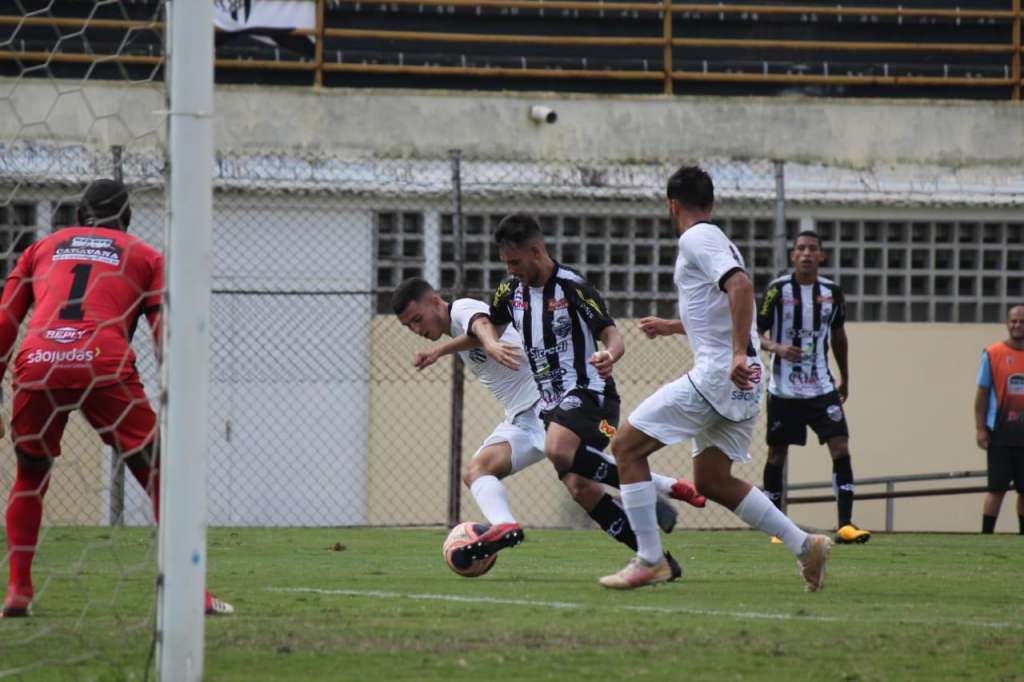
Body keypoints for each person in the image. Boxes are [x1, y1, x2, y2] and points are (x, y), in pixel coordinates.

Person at [0, 179, 233, 617]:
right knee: (163, 474)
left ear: (76, 217)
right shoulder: (144, 254)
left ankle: (18, 590)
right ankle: (191, 594)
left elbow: (6, 320)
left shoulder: (43, 248)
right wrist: (175, 388)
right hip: (101, 361)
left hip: (39, 361)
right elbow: (163, 333)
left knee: (30, 475)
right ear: (126, 219)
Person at [600, 165, 832, 591]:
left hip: (720, 375)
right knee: (712, 480)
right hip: (743, 378)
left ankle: (651, 559)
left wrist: (738, 353)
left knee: (626, 447)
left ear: (673, 205)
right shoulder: (718, 239)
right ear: (711, 202)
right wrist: (674, 327)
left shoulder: (696, 238)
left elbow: (741, 288)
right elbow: (720, 307)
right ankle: (805, 545)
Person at [392, 278, 704, 570]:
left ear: (434, 301)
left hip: (548, 405)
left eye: (417, 319)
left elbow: (480, 324)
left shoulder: (460, 308)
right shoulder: (456, 331)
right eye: (409, 326)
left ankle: (659, 491)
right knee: (478, 472)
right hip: (520, 419)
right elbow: (472, 337)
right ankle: (505, 525)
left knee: (580, 482)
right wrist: (438, 351)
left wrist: (490, 343)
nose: (416, 329)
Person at [464, 214, 707, 570]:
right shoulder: (509, 291)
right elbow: (487, 325)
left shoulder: (573, 287)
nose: (511, 270)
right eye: (506, 263)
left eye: (515, 262)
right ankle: (657, 560)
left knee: (558, 450)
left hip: (591, 394)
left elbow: (613, 335)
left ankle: (641, 488)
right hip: (551, 405)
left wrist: (609, 355)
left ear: (535, 251)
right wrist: (450, 348)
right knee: (580, 487)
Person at [756, 232, 870, 544]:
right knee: (777, 452)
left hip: (821, 385)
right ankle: (778, 527)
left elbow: (838, 335)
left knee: (840, 446)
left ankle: (846, 524)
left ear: (821, 256)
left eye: (812, 249)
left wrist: (845, 375)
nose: (806, 254)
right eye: (801, 249)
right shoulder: (778, 289)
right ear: (792, 256)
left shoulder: (832, 291)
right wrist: (777, 348)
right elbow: (756, 331)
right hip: (784, 388)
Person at [975, 305, 1024, 535]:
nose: (1017, 325)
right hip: (1000, 433)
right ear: (1007, 323)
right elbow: (982, 394)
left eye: (1021, 321)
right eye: (1013, 321)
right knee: (996, 489)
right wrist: (980, 428)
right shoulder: (993, 353)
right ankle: (986, 536)